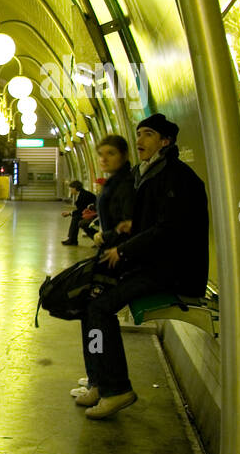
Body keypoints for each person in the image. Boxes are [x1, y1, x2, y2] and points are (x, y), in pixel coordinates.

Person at [72, 113, 209, 419]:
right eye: (138, 133)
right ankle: (99, 380)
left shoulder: (175, 177)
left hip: (173, 272)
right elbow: (140, 225)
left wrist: (123, 250)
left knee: (99, 306)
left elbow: (168, 230)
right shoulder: (149, 173)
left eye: (148, 134)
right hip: (152, 264)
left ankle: (116, 388)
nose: (140, 140)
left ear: (165, 141)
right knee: (89, 298)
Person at [71, 134, 136, 396]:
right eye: (101, 154)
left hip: (117, 259)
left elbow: (129, 224)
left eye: (110, 153)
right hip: (109, 255)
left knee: (94, 312)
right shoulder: (115, 182)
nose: (104, 159)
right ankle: (96, 378)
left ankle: (105, 383)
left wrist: (104, 236)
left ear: (123, 155)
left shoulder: (125, 185)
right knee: (89, 313)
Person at [61, 179, 97, 245]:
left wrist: (69, 213)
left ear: (75, 188)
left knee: (76, 218)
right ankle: (72, 239)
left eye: (71, 189)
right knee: (76, 217)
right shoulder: (82, 193)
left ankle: (72, 240)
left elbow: (81, 210)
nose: (70, 190)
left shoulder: (83, 195)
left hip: (94, 214)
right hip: (91, 213)